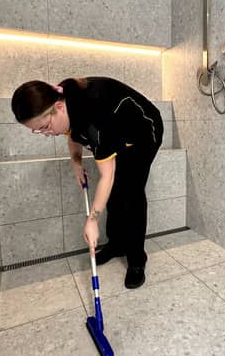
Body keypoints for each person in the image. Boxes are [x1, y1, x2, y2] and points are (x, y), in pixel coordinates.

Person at [11, 76, 163, 289]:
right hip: (117, 131)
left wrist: (92, 220)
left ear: (59, 107)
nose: (45, 134)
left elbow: (106, 177)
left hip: (143, 131)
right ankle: (117, 244)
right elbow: (71, 133)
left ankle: (137, 259)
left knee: (131, 191)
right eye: (38, 131)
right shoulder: (63, 99)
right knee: (115, 192)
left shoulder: (94, 117)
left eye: (45, 127)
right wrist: (76, 162)